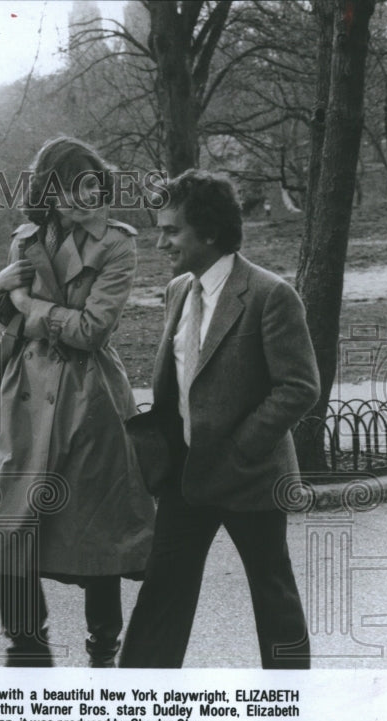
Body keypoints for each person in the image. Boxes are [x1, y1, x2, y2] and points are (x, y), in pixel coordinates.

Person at [0, 137, 155, 667]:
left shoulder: (118, 244)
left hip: (90, 399)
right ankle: (27, 644)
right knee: (4, 520)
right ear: (47, 191)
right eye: (67, 189)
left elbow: (90, 330)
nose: (81, 199)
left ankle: (103, 648)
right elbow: (10, 317)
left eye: (90, 187)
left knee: (95, 525)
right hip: (26, 397)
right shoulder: (27, 238)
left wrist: (26, 303)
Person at [120, 170, 319, 669]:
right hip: (186, 477)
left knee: (273, 597)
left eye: (171, 230)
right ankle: (134, 708)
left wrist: (242, 448)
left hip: (251, 476)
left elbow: (299, 386)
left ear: (208, 233)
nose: (161, 241)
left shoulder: (270, 295)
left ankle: (294, 707)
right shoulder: (177, 291)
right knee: (163, 591)